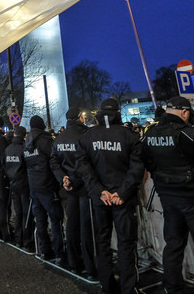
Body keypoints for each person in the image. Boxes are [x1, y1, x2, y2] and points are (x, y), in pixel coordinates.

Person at [140, 96, 194, 294]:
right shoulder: (189, 133)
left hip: (167, 197)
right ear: (185, 112)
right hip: (193, 197)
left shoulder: (150, 133)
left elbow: (147, 161)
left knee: (174, 244)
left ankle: (172, 287)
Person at [75, 99, 145, 293]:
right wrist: (122, 192)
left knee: (102, 241)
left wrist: (99, 191)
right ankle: (128, 287)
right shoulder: (129, 136)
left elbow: (83, 167)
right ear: (118, 112)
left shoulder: (88, 136)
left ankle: (107, 285)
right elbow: (137, 167)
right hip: (122, 198)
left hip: (101, 198)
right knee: (126, 243)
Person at [50, 107, 96, 279]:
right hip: (83, 186)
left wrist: (64, 179)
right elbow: (88, 163)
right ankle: (91, 268)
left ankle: (74, 262)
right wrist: (72, 180)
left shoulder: (60, 137)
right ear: (80, 118)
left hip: (69, 187)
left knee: (71, 225)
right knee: (86, 228)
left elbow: (54, 162)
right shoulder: (85, 136)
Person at [24, 115, 65, 266]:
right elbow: (54, 161)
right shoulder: (46, 141)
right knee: (55, 220)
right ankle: (60, 254)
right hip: (47, 185)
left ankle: (45, 251)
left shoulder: (27, 142)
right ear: (42, 125)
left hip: (34, 187)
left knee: (40, 221)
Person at [4, 125, 34, 252]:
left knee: (18, 212)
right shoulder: (24, 149)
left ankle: (18, 239)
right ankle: (27, 241)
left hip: (13, 183)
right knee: (27, 213)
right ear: (24, 135)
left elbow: (4, 165)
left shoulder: (8, 149)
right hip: (24, 184)